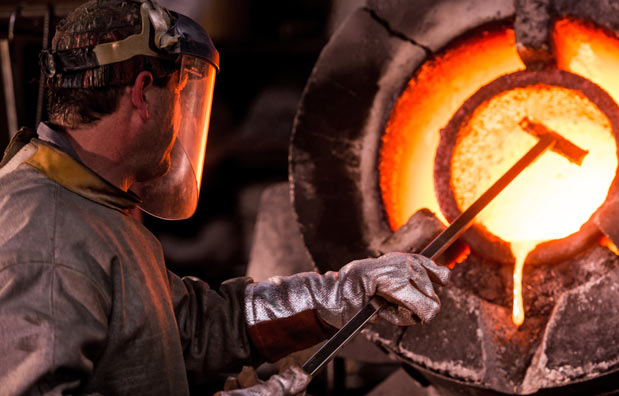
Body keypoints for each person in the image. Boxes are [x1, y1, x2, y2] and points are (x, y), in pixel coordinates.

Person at [0, 1, 450, 395]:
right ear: (141, 94)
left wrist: (343, 292)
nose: (180, 118)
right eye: (178, 93)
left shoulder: (92, 206)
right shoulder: (46, 235)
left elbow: (192, 329)